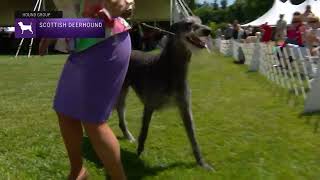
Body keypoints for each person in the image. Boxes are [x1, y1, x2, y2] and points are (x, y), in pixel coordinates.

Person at [39, 0, 133, 179]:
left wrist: (112, 9)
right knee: (65, 111)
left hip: (106, 41)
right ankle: (78, 171)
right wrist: (49, 33)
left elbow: (123, 3)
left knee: (93, 121)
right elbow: (68, 10)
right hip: (79, 43)